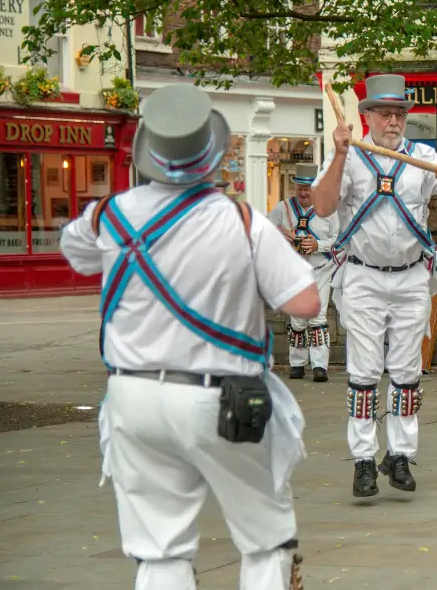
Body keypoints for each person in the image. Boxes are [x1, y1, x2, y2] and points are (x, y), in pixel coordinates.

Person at [60, 83, 315, 590]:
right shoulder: (243, 220)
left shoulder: (109, 215)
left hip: (132, 398)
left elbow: (78, 252)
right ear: (212, 157)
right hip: (223, 399)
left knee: (159, 550)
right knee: (265, 540)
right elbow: (304, 303)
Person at [311, 74, 437, 498]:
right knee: (363, 371)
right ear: (367, 117)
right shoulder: (351, 157)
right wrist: (340, 156)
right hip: (363, 276)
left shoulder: (422, 156)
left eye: (400, 112)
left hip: (411, 277)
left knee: (406, 371)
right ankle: (363, 459)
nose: (394, 120)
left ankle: (400, 453)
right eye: (385, 112)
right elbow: (324, 205)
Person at [269, 163, 340, 382]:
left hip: (321, 270)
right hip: (295, 271)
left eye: (307, 188)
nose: (303, 192)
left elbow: (340, 239)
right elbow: (265, 229)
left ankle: (320, 366)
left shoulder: (329, 209)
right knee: (298, 319)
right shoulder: (284, 208)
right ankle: (297, 364)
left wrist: (318, 245)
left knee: (318, 317)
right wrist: (282, 234)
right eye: (299, 187)